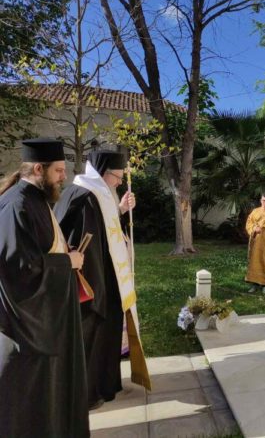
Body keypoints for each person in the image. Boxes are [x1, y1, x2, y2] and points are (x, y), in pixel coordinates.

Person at [0, 138, 89, 437]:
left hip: (49, 317)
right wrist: (67, 262)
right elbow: (18, 269)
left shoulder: (35, 199)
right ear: (39, 169)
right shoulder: (16, 205)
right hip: (28, 329)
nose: (64, 176)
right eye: (59, 170)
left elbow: (40, 251)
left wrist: (65, 254)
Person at [54, 149, 151, 410]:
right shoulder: (84, 196)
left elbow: (105, 231)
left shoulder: (98, 195)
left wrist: (120, 210)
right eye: (117, 177)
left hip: (107, 282)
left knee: (105, 336)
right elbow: (75, 239)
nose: (119, 183)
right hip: (91, 285)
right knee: (89, 338)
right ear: (102, 173)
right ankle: (86, 394)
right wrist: (96, 285)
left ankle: (105, 385)